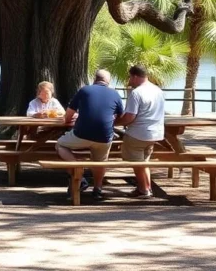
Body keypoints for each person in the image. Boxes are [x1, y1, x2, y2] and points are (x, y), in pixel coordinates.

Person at [56, 70, 124, 201]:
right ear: (108, 81)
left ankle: (79, 173)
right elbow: (120, 116)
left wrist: (66, 121)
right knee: (100, 161)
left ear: (95, 79)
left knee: (60, 144)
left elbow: (69, 114)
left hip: (82, 134)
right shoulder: (115, 94)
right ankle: (97, 189)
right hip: (104, 136)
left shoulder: (85, 90)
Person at [114, 64, 166, 198]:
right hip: (156, 133)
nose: (129, 81)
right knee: (144, 162)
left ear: (136, 76)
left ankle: (143, 190)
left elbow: (130, 117)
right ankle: (147, 187)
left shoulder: (136, 93)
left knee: (137, 163)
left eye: (130, 77)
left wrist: (115, 122)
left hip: (139, 134)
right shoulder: (158, 91)